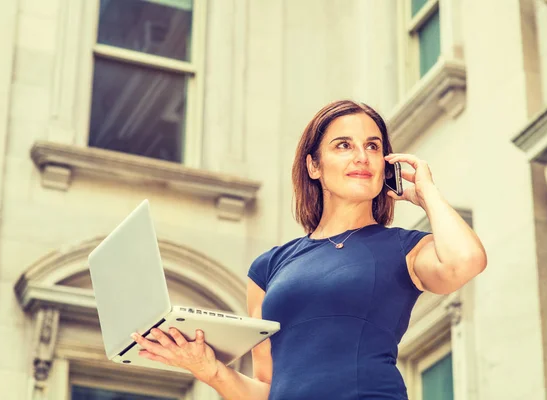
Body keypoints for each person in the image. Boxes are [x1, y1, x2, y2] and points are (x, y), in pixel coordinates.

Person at [131, 100, 487, 399]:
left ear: (385, 166)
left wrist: (427, 195)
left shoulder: (404, 249)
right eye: (344, 145)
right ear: (313, 165)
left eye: (373, 146)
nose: (362, 156)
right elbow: (270, 389)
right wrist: (208, 369)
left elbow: (466, 261)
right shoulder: (268, 268)